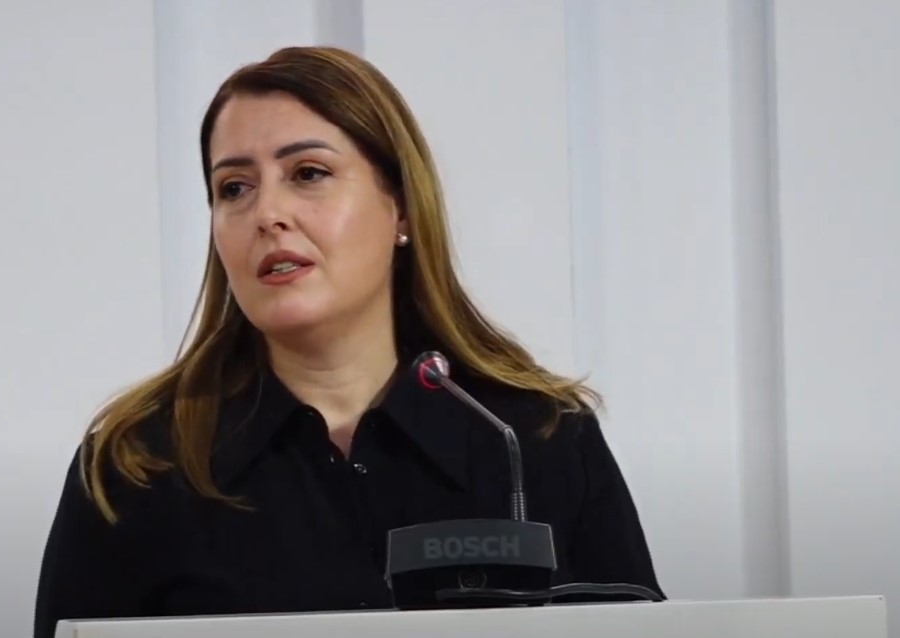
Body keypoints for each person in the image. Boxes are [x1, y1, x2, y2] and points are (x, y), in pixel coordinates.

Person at [33, 45, 662, 638]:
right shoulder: (136, 466)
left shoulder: (538, 439)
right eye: (234, 188)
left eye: (308, 173)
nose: (267, 214)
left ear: (401, 209)